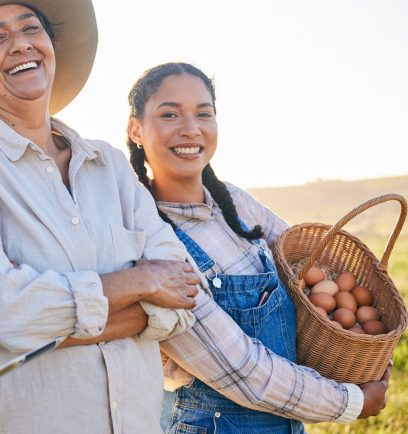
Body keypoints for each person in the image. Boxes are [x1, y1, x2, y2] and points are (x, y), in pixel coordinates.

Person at [0, 0, 203, 434]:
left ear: (50, 48)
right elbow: (0, 309)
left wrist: (44, 330)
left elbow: (189, 295)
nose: (21, 43)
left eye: (31, 29)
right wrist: (142, 281)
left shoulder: (108, 164)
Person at [126, 62, 392, 433]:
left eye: (204, 113)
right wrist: (350, 401)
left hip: (283, 421)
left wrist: (363, 330)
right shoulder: (151, 239)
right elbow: (242, 370)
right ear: (136, 129)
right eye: (169, 114)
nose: (191, 128)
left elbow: (306, 259)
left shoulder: (232, 200)